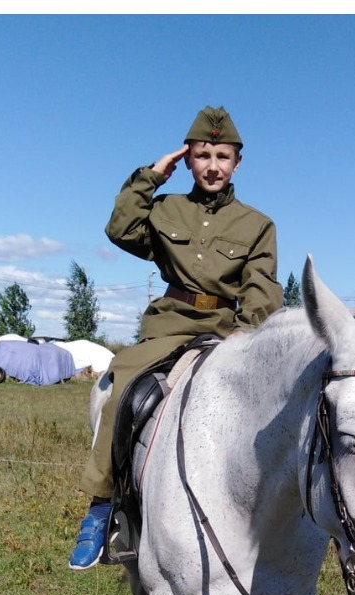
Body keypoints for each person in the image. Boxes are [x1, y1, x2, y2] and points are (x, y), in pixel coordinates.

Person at [69, 105, 282, 569]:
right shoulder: (167, 209)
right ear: (188, 160)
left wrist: (245, 340)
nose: (212, 166)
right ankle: (102, 507)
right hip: (169, 326)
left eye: (223, 157)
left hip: (226, 331)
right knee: (123, 385)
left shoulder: (257, 225)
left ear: (237, 163)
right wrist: (151, 176)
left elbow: (262, 290)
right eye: (203, 155)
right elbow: (120, 229)